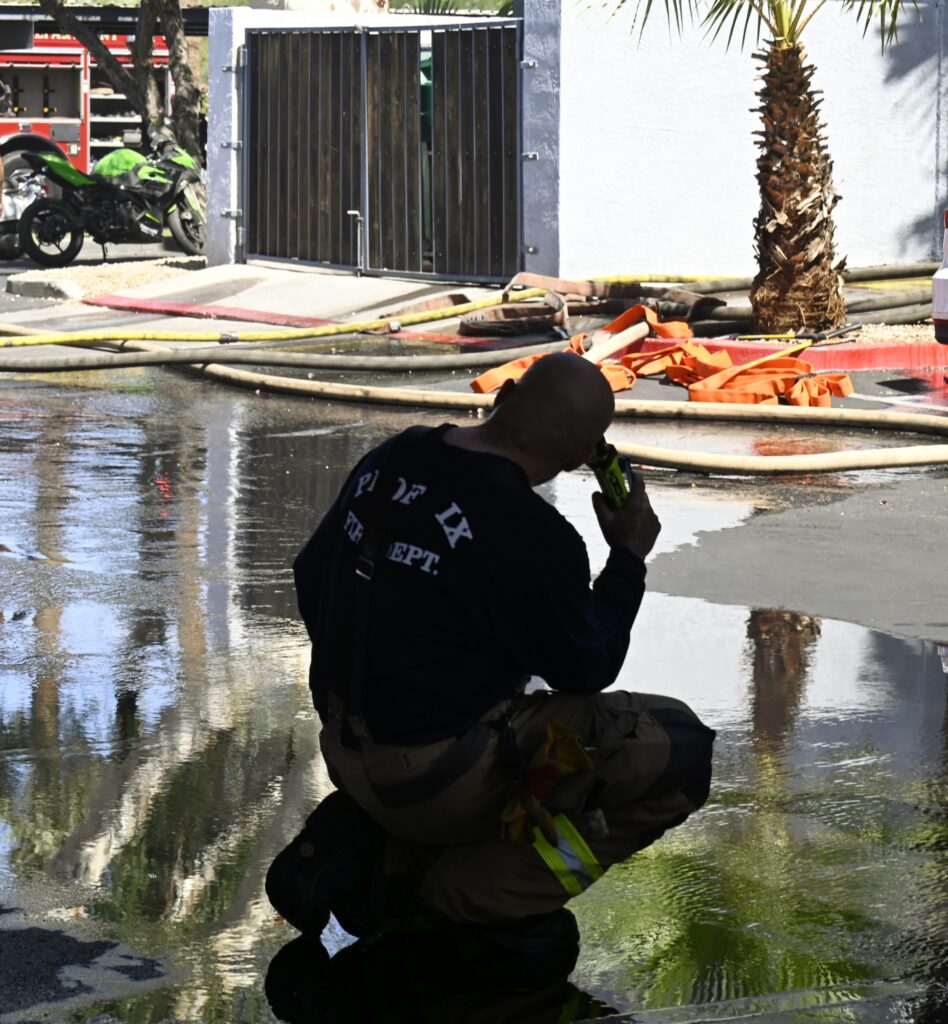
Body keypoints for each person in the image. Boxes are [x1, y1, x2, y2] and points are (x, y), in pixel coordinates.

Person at [268, 352, 714, 940]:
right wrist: (628, 555)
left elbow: (310, 577)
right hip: (435, 781)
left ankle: (387, 848)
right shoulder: (538, 535)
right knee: (680, 748)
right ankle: (456, 894)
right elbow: (589, 667)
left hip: (343, 748)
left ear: (503, 396)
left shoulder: (393, 456)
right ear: (581, 458)